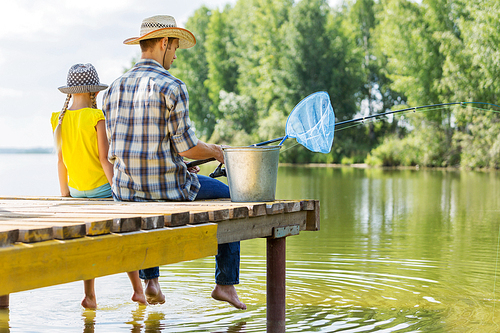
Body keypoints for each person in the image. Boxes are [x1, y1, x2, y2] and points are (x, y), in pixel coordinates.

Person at [102, 15, 246, 310]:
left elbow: (123, 149)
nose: (177, 55)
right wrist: (218, 152)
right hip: (168, 187)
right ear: (164, 43)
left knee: (147, 206)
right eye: (176, 47)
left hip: (125, 190)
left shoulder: (112, 89)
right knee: (231, 199)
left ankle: (151, 282)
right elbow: (188, 146)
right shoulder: (172, 86)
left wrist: (179, 163)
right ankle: (225, 284)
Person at [51, 63, 147, 309]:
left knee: (89, 240)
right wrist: (118, 191)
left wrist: (66, 194)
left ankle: (90, 296)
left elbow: (60, 160)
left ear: (71, 91)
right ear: (95, 92)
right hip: (102, 190)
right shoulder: (96, 116)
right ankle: (138, 291)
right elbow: (105, 159)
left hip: (77, 191)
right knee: (126, 236)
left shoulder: (58, 118)